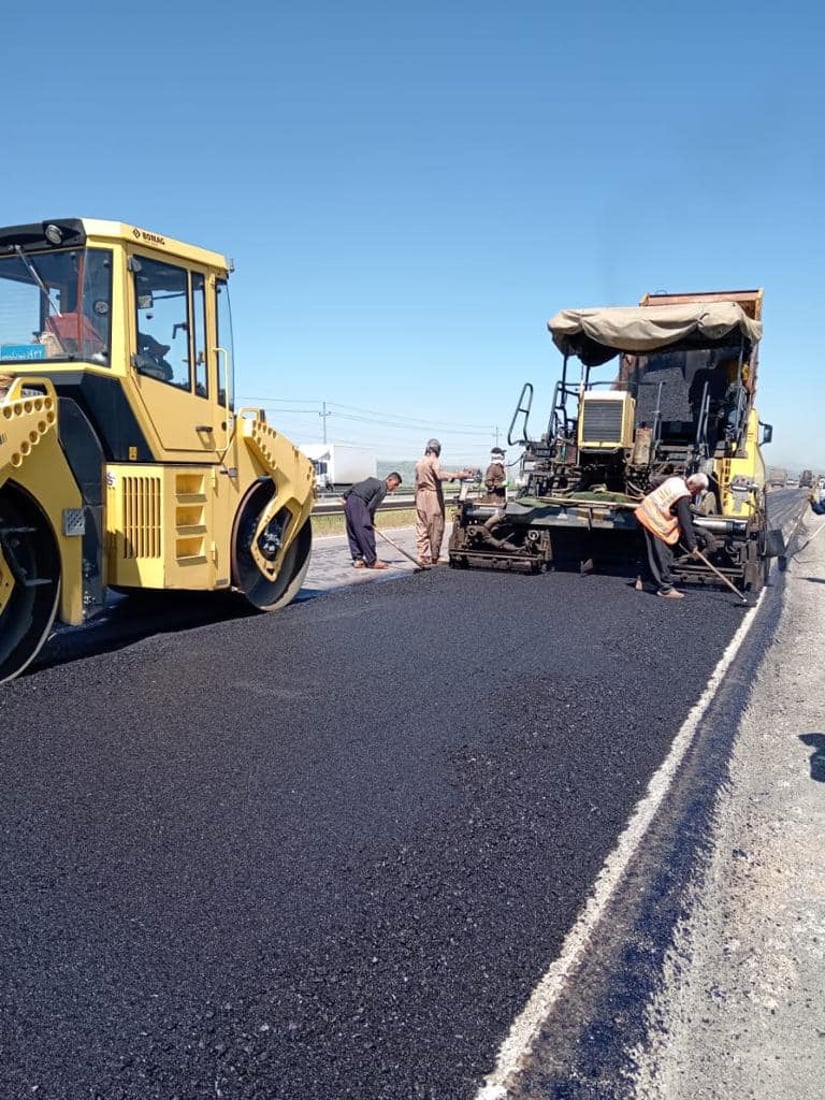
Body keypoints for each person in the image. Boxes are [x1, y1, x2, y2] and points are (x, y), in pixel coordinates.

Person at [634, 472, 709, 599]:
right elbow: (686, 522)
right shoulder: (683, 496)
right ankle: (665, 588)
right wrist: (692, 545)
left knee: (649, 553)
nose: (696, 493)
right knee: (663, 554)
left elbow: (655, 483)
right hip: (654, 519)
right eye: (697, 490)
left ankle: (645, 582)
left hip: (644, 513)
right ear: (691, 484)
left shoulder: (675, 480)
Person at [414, 439, 472, 566]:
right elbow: (439, 475)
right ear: (437, 450)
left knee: (422, 527)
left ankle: (421, 555)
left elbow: (417, 483)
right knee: (436, 526)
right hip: (433, 496)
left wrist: (416, 499)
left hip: (420, 496)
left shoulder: (419, 463)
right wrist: (459, 475)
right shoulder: (434, 461)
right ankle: (435, 556)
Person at [342, 472, 402, 569]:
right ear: (389, 480)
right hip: (359, 503)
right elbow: (371, 507)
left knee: (353, 531)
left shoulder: (372, 481)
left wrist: (345, 497)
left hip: (350, 501)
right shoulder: (383, 488)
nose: (395, 488)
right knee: (366, 532)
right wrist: (370, 520)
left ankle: (358, 559)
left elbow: (355, 486)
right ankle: (372, 561)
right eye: (395, 484)